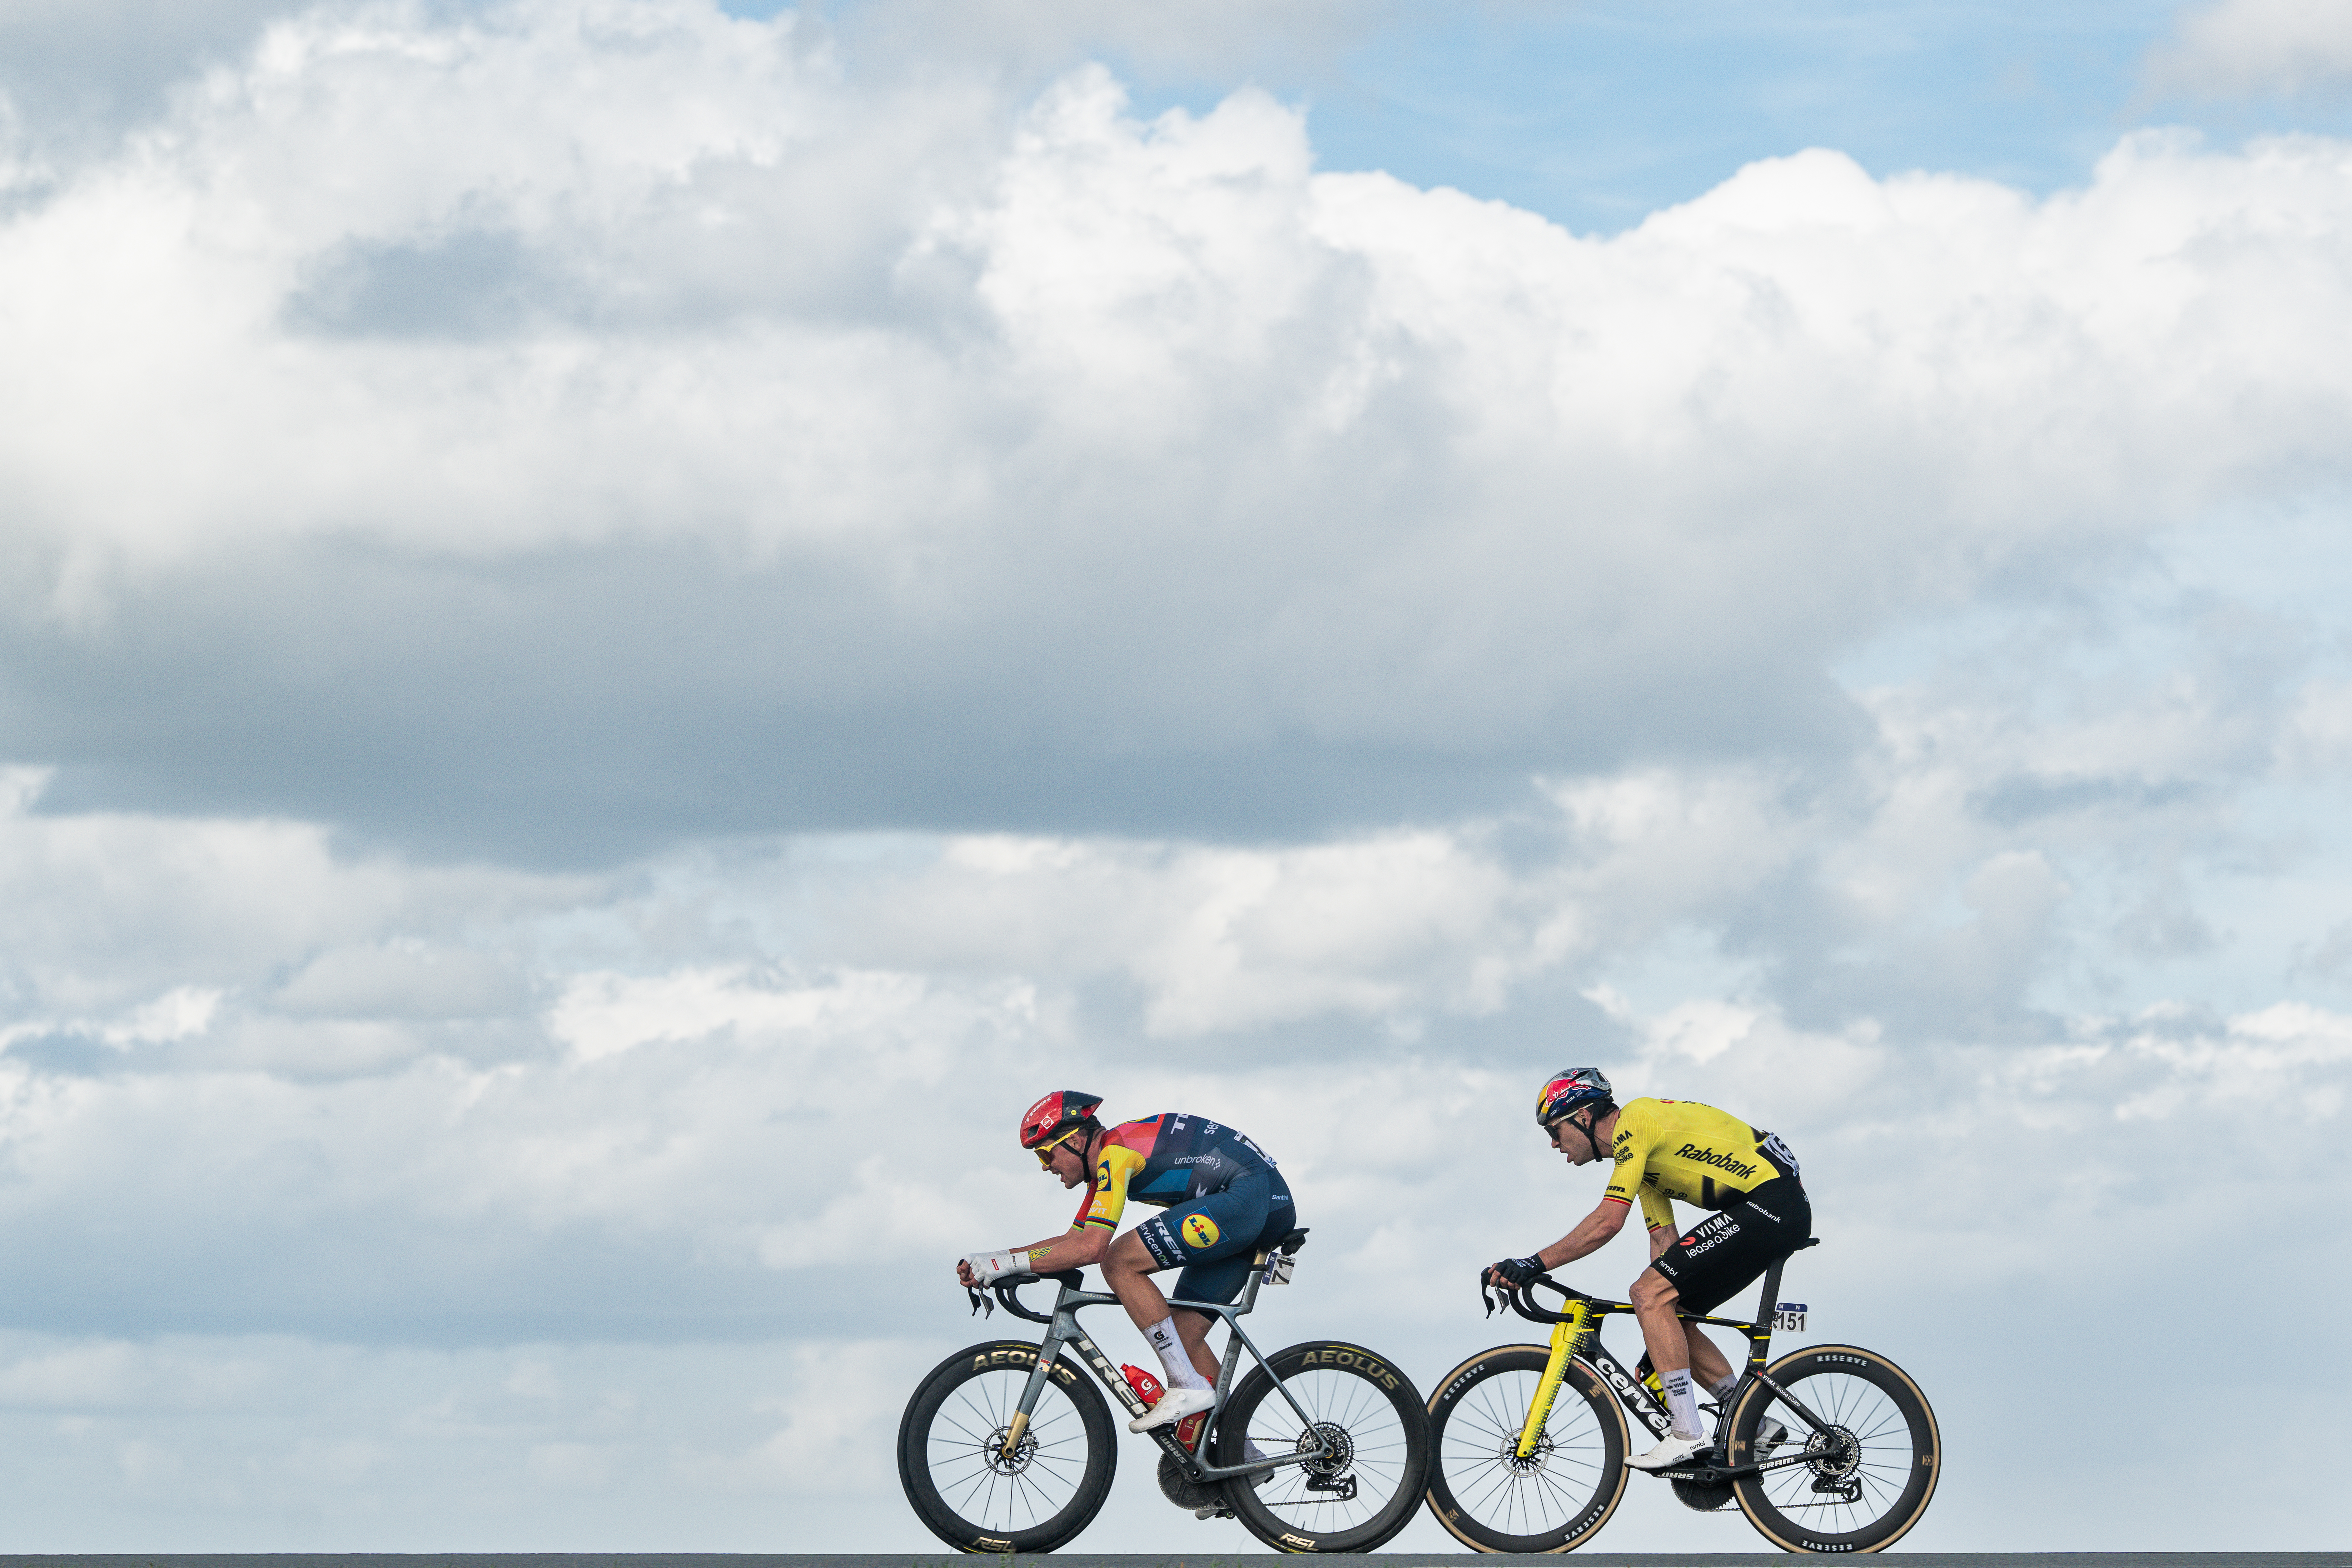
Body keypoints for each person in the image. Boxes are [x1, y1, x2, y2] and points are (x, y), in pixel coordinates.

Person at [1485, 1067, 1809, 1472]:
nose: (1553, 1144)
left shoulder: (1635, 1122)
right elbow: (1665, 1245)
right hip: (1770, 1209)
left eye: (1555, 1131)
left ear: (1583, 1117)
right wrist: (1659, 1334)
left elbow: (1606, 1223)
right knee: (1665, 1305)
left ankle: (1688, 1433)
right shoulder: (1639, 1159)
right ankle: (1756, 1424)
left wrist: (1533, 1264)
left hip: (1771, 1204)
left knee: (1647, 1294)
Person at [958, 1091, 1298, 1445]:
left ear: (1073, 1141)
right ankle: (1241, 1457)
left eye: (1046, 1153)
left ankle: (1185, 1385)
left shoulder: (1115, 1154)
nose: (1045, 1165)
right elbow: (1073, 1240)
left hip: (1247, 1197)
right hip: (1263, 1206)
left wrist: (1003, 1264)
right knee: (1182, 1337)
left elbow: (1091, 1249)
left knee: (1118, 1261)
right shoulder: (1107, 1163)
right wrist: (995, 1261)